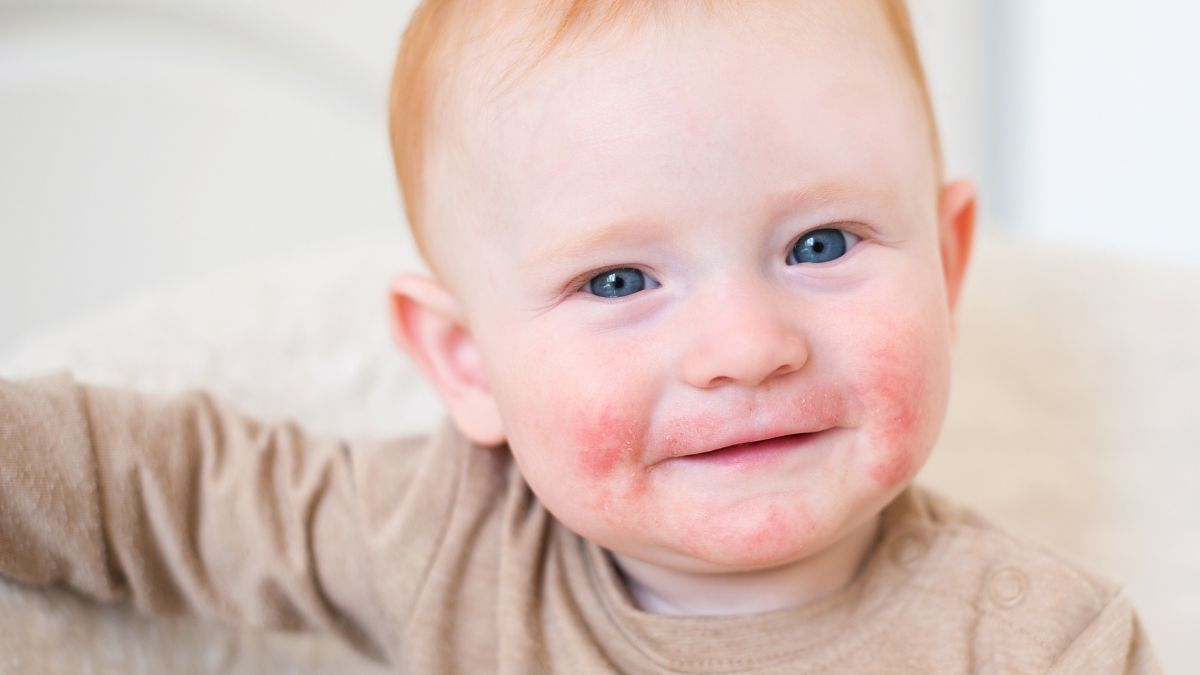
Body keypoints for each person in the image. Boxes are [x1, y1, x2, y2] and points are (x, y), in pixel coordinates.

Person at [0, 0, 1160, 671]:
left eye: (820, 245)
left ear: (949, 267)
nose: (746, 348)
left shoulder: (1043, 644)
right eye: (618, 278)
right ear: (467, 364)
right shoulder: (450, 541)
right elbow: (156, 490)